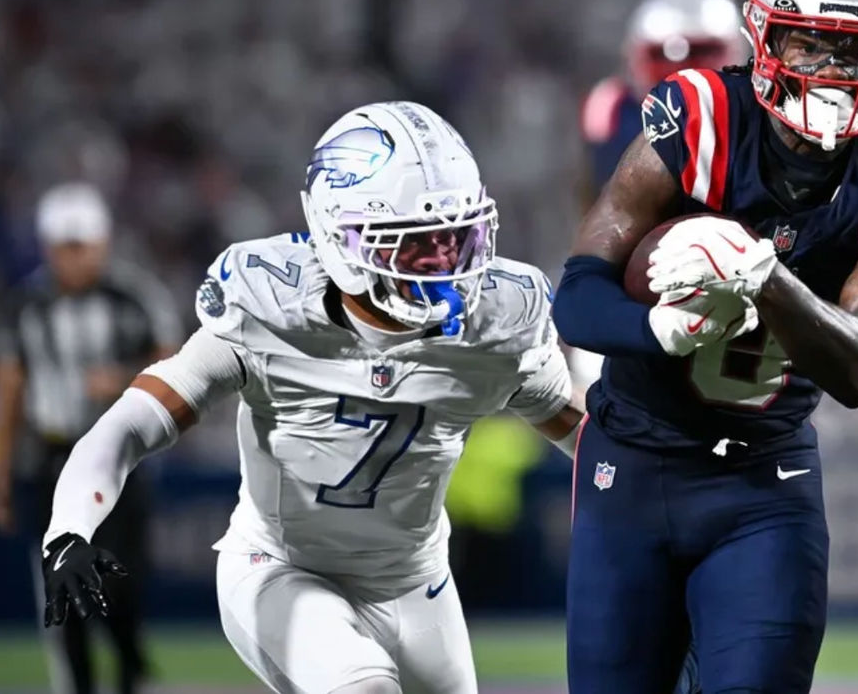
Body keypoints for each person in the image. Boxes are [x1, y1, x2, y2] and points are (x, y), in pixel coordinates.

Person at [38, 102, 583, 694]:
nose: (444, 265)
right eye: (416, 245)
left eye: (456, 239)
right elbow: (135, 422)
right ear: (339, 236)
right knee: (363, 688)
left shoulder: (498, 323)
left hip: (416, 582)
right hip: (280, 569)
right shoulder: (267, 307)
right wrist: (68, 528)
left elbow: (590, 436)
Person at [553, 0, 858, 693]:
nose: (835, 72)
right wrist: (658, 329)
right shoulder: (699, 114)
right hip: (630, 467)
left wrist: (761, 277)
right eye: (811, 44)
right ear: (766, 38)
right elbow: (578, 293)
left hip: (763, 485)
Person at [0, 182, 181, 694]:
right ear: (48, 246)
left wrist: (123, 378)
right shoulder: (25, 305)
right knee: (62, 585)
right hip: (50, 456)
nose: (75, 257)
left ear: (103, 241)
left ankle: (130, 671)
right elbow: (8, 390)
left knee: (120, 581)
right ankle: (77, 685)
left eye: (83, 244)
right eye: (65, 246)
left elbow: (179, 366)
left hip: (120, 457)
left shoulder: (135, 297)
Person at [579, 0, 746, 207]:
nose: (681, 71)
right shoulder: (611, 112)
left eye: (701, 51)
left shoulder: (761, 108)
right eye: (661, 55)